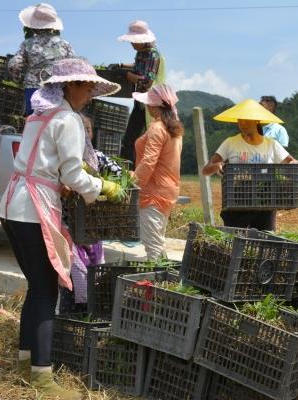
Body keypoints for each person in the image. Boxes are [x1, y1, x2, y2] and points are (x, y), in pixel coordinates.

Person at [0, 58, 123, 399]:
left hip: (11, 206)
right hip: (33, 209)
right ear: (68, 86)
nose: (90, 93)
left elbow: (46, 164)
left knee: (36, 286)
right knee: (45, 291)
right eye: (86, 87)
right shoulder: (67, 119)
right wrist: (103, 187)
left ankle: (26, 363)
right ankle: (42, 377)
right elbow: (72, 174)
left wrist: (67, 180)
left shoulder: (38, 116)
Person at [58, 114, 124, 314]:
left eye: (87, 131)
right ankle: (70, 320)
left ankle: (85, 316)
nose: (84, 136)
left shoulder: (98, 158)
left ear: (91, 134)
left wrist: (106, 187)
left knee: (93, 275)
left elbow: (120, 175)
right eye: (80, 132)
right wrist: (63, 186)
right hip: (68, 232)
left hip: (93, 232)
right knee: (70, 278)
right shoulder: (65, 159)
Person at [202, 99, 298, 231]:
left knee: (265, 240)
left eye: (246, 120)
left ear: (256, 121)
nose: (241, 124)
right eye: (239, 120)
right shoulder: (230, 143)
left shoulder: (271, 144)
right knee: (234, 240)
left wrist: (294, 164)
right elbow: (206, 170)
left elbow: (294, 163)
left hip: (265, 202)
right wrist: (216, 165)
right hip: (237, 201)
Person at [131, 84, 183, 260]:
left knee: (152, 245)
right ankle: (163, 281)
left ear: (153, 106)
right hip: (168, 190)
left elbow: (148, 162)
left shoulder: (157, 128)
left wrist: (132, 182)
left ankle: (154, 285)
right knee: (158, 242)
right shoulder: (173, 128)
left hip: (153, 192)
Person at [8, 3, 75, 116]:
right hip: (58, 89)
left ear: (34, 26)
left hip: (33, 88)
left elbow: (14, 65)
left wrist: (19, 80)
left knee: (35, 121)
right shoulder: (65, 45)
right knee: (57, 120)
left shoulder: (28, 44)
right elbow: (75, 67)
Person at [116, 20, 165, 163]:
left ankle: (133, 170)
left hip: (150, 103)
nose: (132, 44)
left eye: (135, 41)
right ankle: (130, 168)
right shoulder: (141, 53)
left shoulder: (152, 54)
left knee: (135, 138)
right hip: (140, 101)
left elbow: (146, 80)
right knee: (132, 138)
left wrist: (126, 75)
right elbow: (138, 66)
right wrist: (121, 65)